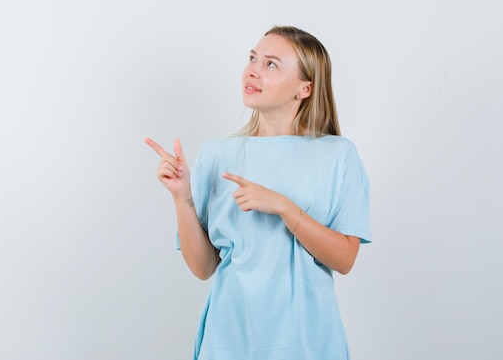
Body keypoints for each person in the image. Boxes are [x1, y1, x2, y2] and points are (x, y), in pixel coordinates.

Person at [145, 25, 371, 360]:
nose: (252, 70)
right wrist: (182, 197)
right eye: (252, 58)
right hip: (229, 338)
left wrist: (284, 207)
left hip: (306, 341)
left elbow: (345, 259)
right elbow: (204, 267)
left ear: (304, 88)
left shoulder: (338, 155)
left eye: (271, 64)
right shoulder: (217, 155)